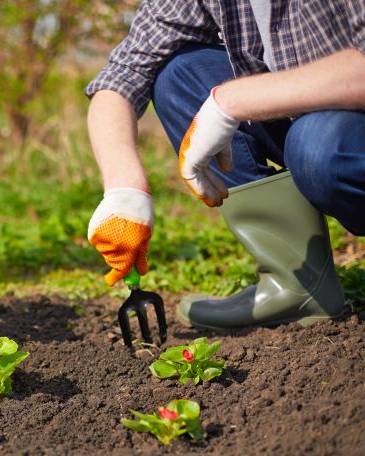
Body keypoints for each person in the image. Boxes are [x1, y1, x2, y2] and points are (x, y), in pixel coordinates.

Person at [85, 1, 365, 330]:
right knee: (179, 75)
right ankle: (298, 285)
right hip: (308, 120)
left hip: (344, 132)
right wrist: (124, 189)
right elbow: (122, 75)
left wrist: (230, 102)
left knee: (315, 145)